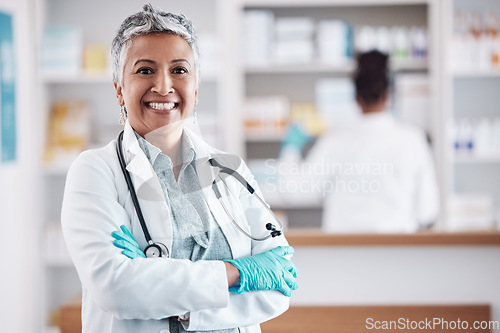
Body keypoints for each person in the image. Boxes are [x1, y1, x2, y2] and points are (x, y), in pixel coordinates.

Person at [61, 4, 298, 333]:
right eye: (145, 70)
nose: (163, 86)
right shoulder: (95, 171)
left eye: (179, 70)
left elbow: (278, 287)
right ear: (119, 88)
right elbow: (115, 287)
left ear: (196, 89)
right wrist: (240, 273)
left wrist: (164, 293)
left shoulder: (230, 169)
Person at [280, 50, 439, 233]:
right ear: (390, 95)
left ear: (355, 97)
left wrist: (290, 149)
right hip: (397, 253)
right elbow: (428, 212)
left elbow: (293, 192)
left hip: (346, 253)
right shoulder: (413, 141)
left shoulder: (335, 141)